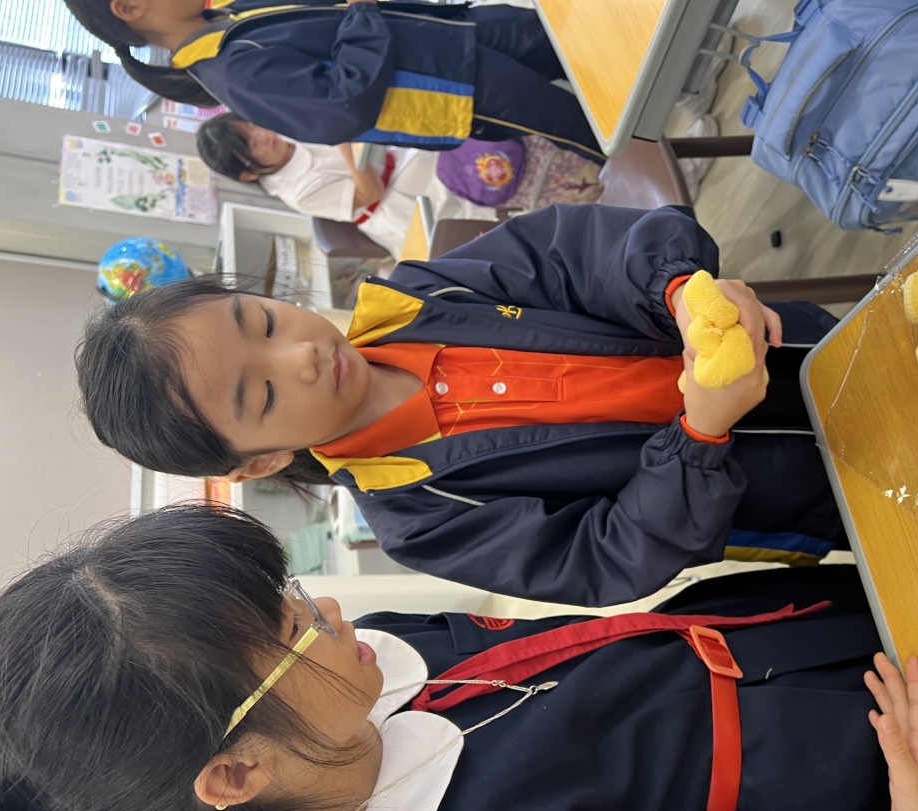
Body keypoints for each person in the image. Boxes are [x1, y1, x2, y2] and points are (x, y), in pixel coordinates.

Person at [0, 505, 918, 811]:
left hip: (803, 631)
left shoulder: (367, 675)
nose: (326, 612)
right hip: (883, 777)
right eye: (288, 629)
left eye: (287, 591)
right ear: (233, 774)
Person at [77, 203, 848, 607]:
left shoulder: (422, 295)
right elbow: (607, 559)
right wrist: (700, 433)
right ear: (260, 462)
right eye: (264, 393)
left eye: (265, 322)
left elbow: (571, 256)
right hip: (807, 494)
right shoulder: (420, 518)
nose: (301, 355)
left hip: (809, 350)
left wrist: (676, 290)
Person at [62, 0, 604, 160]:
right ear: (129, 8)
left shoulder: (226, 16)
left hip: (444, 32)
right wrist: (363, 11)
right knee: (586, 126)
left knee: (581, 40)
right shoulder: (229, 71)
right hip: (446, 86)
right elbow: (340, 104)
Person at [196, 113, 500, 260]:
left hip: (397, 162)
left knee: (452, 137)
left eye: (252, 127)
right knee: (465, 177)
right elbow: (371, 193)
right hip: (395, 205)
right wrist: (342, 139)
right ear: (248, 174)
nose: (262, 135)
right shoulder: (297, 192)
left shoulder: (287, 128)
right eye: (252, 145)